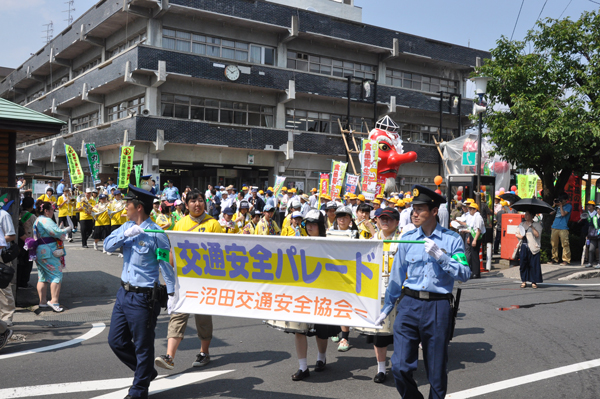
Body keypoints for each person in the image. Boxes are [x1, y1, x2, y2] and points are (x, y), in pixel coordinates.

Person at [377, 185, 471, 398]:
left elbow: (464, 274)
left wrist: (442, 256)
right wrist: (386, 308)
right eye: (413, 208)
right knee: (399, 366)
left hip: (438, 306)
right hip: (409, 304)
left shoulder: (451, 239)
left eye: (420, 209)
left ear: (434, 211)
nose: (414, 213)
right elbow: (396, 277)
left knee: (436, 370)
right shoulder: (408, 238)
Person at [104, 185, 175, 399]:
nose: (125, 207)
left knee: (144, 346)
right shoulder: (125, 227)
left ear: (139, 207)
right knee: (116, 341)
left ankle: (138, 391)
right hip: (123, 294)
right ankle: (146, 372)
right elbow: (107, 246)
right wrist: (126, 234)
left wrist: (171, 294)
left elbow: (165, 265)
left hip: (144, 298)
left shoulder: (156, 233)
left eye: (128, 204)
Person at [155, 190, 221, 371]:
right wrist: (171, 271)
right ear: (187, 204)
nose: (197, 204)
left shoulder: (214, 224)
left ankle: (204, 352)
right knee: (177, 314)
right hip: (184, 281)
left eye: (200, 201)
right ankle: (169, 356)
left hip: (205, 281)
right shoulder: (181, 224)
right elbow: (172, 252)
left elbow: (221, 251)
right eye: (193, 201)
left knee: (203, 318)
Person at [290, 209, 341, 381]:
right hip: (302, 291)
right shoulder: (300, 242)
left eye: (313, 224)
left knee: (322, 330)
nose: (310, 227)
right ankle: (302, 367)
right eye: (307, 224)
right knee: (299, 329)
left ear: (320, 226)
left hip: (322, 291)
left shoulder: (329, 245)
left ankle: (321, 357)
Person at [368, 208, 401, 383]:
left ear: (396, 222)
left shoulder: (403, 241)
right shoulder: (373, 240)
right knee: (379, 334)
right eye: (382, 219)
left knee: (401, 333)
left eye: (389, 219)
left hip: (400, 292)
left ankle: (401, 367)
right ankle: (381, 369)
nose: (385, 222)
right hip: (378, 292)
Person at [328, 205, 358, 351]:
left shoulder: (355, 234)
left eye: (345, 216)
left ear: (350, 219)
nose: (342, 219)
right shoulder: (329, 233)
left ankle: (345, 337)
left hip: (349, 274)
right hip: (332, 273)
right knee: (333, 302)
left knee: (344, 304)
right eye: (339, 216)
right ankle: (335, 329)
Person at [33, 202, 72, 312]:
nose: (52, 212)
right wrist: (66, 229)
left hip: (40, 250)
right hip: (49, 250)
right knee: (56, 275)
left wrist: (59, 229)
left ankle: (43, 301)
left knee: (42, 277)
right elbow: (56, 232)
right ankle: (54, 301)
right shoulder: (46, 220)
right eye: (51, 210)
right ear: (46, 211)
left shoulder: (37, 220)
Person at [516, 210, 543, 288]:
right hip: (524, 246)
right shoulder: (521, 224)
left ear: (532, 216)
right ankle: (523, 281)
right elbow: (517, 233)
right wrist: (519, 236)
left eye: (527, 214)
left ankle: (533, 282)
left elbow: (537, 235)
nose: (526, 216)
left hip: (533, 247)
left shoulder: (537, 225)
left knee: (533, 265)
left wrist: (531, 226)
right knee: (523, 264)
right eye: (525, 214)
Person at [0, 207, 17, 326]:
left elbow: (11, 236)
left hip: (2, 255)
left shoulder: (3, 215)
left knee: (4, 288)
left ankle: (7, 318)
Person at [18, 197, 37, 289]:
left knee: (20, 262)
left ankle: (19, 281)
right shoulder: (32, 216)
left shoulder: (19, 214)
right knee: (28, 263)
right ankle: (24, 282)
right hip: (29, 242)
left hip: (20, 241)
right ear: (31, 205)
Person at [465, 202, 486, 279]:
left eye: (471, 209)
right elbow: (472, 229)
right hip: (473, 236)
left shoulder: (478, 217)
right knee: (473, 254)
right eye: (469, 209)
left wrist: (475, 240)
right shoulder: (474, 217)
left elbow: (478, 230)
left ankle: (476, 273)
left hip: (476, 237)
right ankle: (474, 272)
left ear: (475, 210)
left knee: (475, 255)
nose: (469, 210)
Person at [550, 193, 572, 265]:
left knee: (565, 244)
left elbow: (563, 214)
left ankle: (566, 260)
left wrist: (560, 206)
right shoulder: (557, 206)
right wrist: (554, 205)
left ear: (566, 200)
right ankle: (554, 258)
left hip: (563, 227)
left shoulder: (568, 206)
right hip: (555, 226)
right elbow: (551, 213)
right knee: (554, 244)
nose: (560, 201)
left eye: (562, 200)